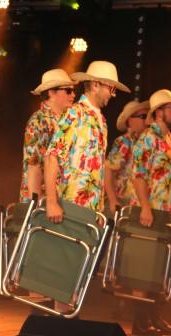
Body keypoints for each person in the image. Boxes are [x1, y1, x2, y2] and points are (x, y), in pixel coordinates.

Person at [131, 88, 171, 336]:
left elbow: (169, 180)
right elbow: (138, 176)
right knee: (144, 267)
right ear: (158, 112)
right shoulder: (148, 137)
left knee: (160, 269)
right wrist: (145, 207)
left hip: (167, 213)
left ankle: (155, 317)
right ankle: (141, 322)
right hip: (150, 211)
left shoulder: (168, 140)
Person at [44, 61, 131, 223]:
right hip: (70, 207)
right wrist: (51, 202)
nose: (113, 94)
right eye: (111, 88)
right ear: (96, 85)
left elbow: (98, 169)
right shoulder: (74, 113)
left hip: (91, 211)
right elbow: (52, 156)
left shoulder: (101, 121)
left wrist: (99, 209)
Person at [19, 69, 75, 202]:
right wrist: (37, 205)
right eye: (68, 91)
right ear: (51, 92)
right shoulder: (38, 121)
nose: (73, 95)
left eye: (73, 91)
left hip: (60, 199)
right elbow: (33, 166)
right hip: (42, 201)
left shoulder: (67, 120)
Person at [104, 100, 150, 216]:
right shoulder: (124, 141)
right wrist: (113, 200)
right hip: (123, 202)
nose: (147, 121)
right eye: (143, 116)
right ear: (130, 120)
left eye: (148, 116)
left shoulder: (147, 143)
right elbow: (108, 170)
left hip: (138, 202)